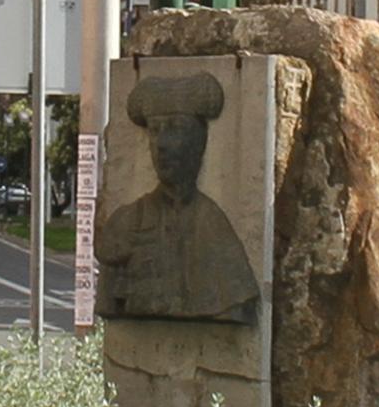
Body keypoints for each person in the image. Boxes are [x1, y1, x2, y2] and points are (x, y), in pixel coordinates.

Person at [95, 72, 259, 325]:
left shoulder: (213, 224)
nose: (161, 143)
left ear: (199, 141)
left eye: (174, 129)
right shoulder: (125, 223)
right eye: (155, 130)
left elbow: (237, 302)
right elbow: (109, 301)